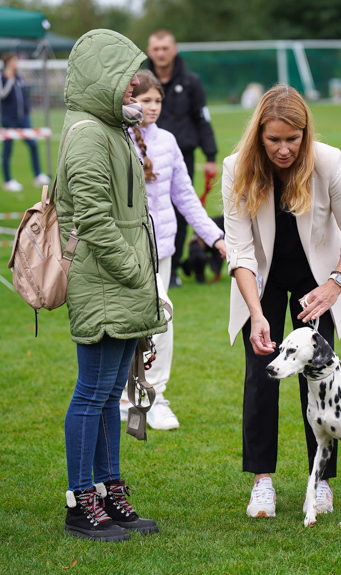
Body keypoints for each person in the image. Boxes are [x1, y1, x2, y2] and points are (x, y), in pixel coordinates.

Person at [222, 85, 341, 519]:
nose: (285, 149)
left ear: (306, 133)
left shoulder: (327, 162)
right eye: (274, 140)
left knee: (320, 377)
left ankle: (321, 482)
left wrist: (334, 285)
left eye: (293, 139)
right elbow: (241, 250)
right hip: (262, 279)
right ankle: (262, 483)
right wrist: (255, 315)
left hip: (316, 278)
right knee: (262, 375)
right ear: (259, 137)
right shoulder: (238, 168)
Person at [56, 29, 167, 542]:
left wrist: (138, 276)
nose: (133, 89)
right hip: (105, 283)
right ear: (101, 80)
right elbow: (95, 220)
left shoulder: (110, 128)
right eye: (125, 81)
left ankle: (109, 492)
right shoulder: (86, 133)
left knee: (108, 399)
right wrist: (133, 272)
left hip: (122, 283)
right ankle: (82, 503)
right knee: (92, 393)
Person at [118, 69, 226, 431]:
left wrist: (216, 238)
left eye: (158, 100)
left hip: (163, 250)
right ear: (129, 100)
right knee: (139, 321)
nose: (152, 107)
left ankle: (154, 396)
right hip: (126, 253)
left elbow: (186, 198)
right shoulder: (116, 139)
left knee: (160, 320)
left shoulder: (168, 141)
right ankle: (129, 397)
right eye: (145, 99)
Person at [146, 30, 218, 288]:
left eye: (165, 48)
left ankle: (173, 268)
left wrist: (210, 155)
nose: (161, 53)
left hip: (180, 155)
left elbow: (202, 118)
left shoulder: (191, 82)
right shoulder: (139, 82)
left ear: (174, 49)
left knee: (178, 211)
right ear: (149, 51)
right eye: (156, 49)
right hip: (144, 156)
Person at [0, 53, 50, 193]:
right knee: (7, 149)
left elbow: (23, 95)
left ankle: (38, 175)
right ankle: (7, 181)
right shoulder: (1, 77)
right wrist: (9, 80)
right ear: (8, 62)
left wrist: (27, 108)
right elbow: (2, 95)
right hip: (9, 119)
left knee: (33, 144)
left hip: (23, 119)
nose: (16, 62)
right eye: (14, 60)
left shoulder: (19, 77)